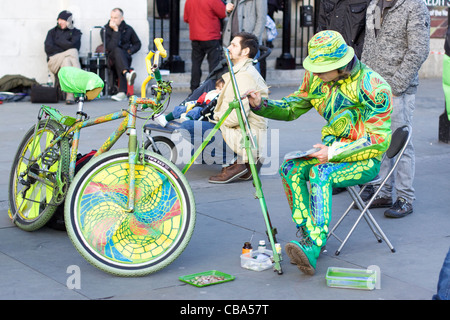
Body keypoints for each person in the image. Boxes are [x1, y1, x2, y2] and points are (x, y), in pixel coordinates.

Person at [246, 30, 392, 275]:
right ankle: (306, 235)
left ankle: (313, 245)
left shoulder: (374, 86)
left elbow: (377, 140)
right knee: (290, 168)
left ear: (341, 66)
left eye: (321, 69)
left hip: (364, 158)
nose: (314, 73)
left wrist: (335, 152)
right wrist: (262, 104)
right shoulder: (316, 77)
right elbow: (294, 106)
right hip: (329, 151)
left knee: (320, 173)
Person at [360, 0, 430, 218]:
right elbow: (369, 46)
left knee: (401, 145)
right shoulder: (374, 4)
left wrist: (396, 87)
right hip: (373, 87)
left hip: (397, 90)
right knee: (379, 142)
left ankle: (405, 197)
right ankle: (382, 191)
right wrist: (363, 81)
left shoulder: (414, 5)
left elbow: (418, 50)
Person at [180, 32, 268, 183]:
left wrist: (216, 116)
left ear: (245, 51)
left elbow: (239, 115)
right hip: (240, 129)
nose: (229, 48)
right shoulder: (241, 72)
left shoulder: (245, 76)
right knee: (197, 133)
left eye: (234, 45)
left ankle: (238, 162)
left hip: (243, 133)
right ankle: (242, 161)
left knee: (189, 126)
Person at [183, 0, 230, 93]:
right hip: (211, 36)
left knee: (196, 64)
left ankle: (194, 88)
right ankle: (212, 88)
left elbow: (186, 18)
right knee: (214, 65)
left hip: (196, 36)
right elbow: (222, 13)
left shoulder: (189, 1)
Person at [103, 8, 141, 101]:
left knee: (121, 57)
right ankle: (126, 76)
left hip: (125, 56)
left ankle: (122, 91)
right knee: (117, 50)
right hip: (111, 58)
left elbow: (137, 43)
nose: (113, 20)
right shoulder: (105, 30)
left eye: (116, 17)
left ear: (121, 18)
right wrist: (115, 31)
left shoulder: (128, 29)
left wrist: (130, 51)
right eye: (112, 17)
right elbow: (111, 47)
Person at [44, 10, 82, 104]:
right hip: (53, 62)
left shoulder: (75, 32)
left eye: (63, 20)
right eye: (59, 20)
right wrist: (67, 45)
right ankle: (80, 83)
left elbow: (76, 45)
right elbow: (48, 49)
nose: (60, 22)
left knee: (67, 60)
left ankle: (70, 95)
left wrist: (58, 43)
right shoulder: (52, 32)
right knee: (72, 51)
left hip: (66, 61)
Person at [157, 78, 224, 126]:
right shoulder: (212, 92)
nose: (217, 90)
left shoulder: (220, 96)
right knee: (182, 109)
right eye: (217, 88)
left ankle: (187, 119)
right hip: (199, 104)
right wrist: (197, 101)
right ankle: (166, 119)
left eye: (220, 89)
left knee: (195, 111)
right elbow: (203, 97)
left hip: (205, 109)